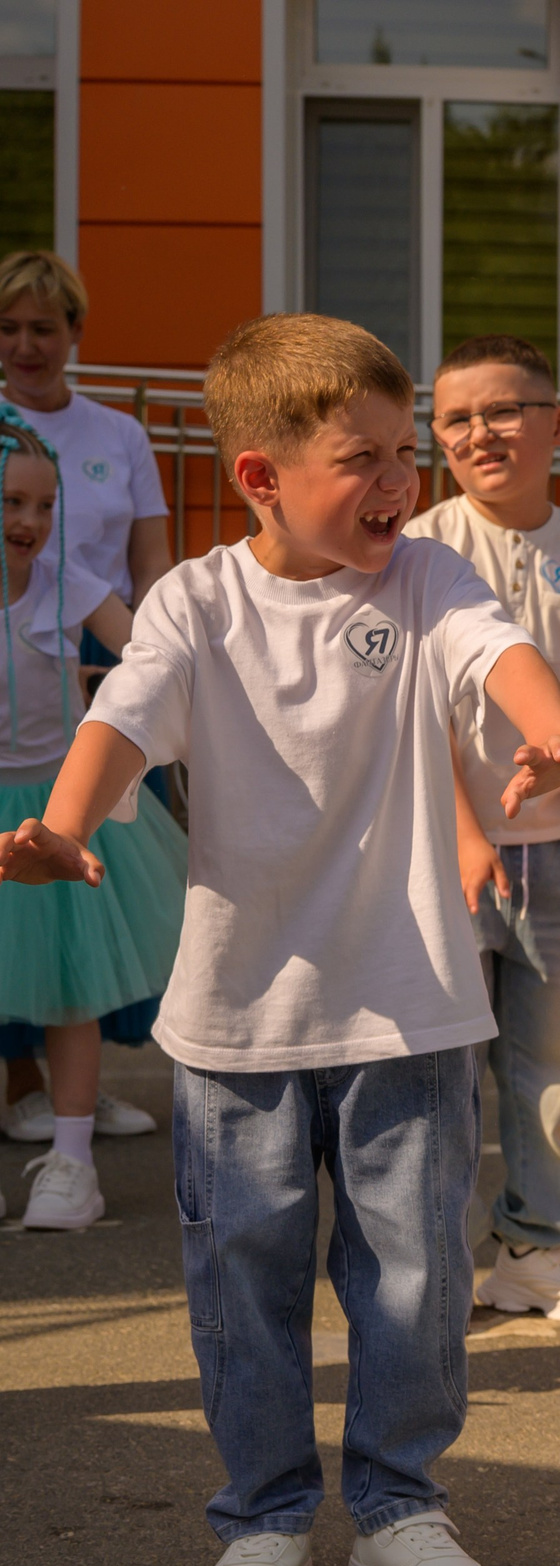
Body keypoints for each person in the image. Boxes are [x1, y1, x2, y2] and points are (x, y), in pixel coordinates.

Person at [0, 313, 560, 1566]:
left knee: (415, 1276)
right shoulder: (198, 599)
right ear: (260, 476)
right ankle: (266, 1516)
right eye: (365, 457)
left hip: (412, 1012)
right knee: (243, 1278)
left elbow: (496, 652)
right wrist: (61, 823)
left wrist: (554, 732)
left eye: (409, 452)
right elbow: (123, 715)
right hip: (235, 1023)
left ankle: (400, 1508)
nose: (403, 482)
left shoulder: (428, 580)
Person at [407, 332, 560, 1325]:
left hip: (555, 859)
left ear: (558, 424)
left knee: (556, 1066)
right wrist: (463, 834)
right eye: (457, 418)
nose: (481, 432)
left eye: (504, 410)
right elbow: (414, 718)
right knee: (441, 1069)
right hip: (446, 852)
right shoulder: (420, 548)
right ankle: (430, 1261)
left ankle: (534, 1249)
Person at [0, 248, 176, 1139]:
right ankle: (23, 1084)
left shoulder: (118, 435)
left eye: (43, 326)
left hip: (96, 681)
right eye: (9, 327)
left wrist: (140, 660)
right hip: (20, 678)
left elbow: (148, 557)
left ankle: (75, 1092)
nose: (26, 344)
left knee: (86, 908)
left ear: (74, 332)